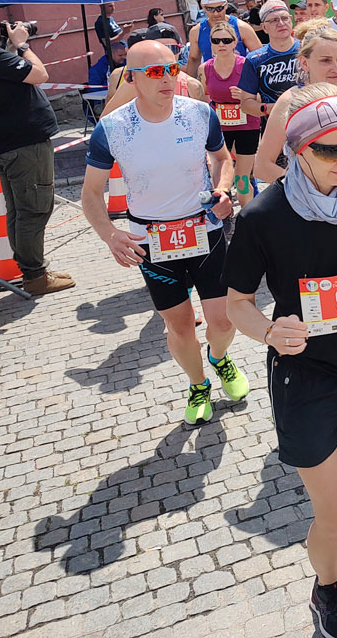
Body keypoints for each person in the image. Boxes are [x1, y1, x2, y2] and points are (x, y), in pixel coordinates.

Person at [224, 84, 337, 638]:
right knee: (331, 514)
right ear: (299, 149)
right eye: (332, 150)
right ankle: (327, 590)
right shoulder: (263, 215)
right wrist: (268, 331)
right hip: (304, 378)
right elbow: (237, 304)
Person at [82, 41, 247, 425]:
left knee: (224, 321)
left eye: (172, 69)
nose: (168, 79)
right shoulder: (112, 128)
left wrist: (223, 189)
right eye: (155, 72)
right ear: (132, 78)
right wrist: (110, 234)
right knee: (180, 326)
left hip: (204, 230)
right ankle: (198, 384)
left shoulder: (199, 113)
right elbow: (90, 193)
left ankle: (219, 358)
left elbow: (223, 160)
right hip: (152, 243)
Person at [0, 7, 73, 295]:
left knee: (18, 210)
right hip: (23, 142)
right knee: (34, 208)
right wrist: (21, 45)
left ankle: (31, 268)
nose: (2, 29)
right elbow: (40, 74)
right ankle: (35, 275)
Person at [254, 23, 337, 184]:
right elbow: (262, 166)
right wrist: (307, 190)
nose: (336, 68)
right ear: (304, 63)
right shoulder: (290, 101)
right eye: (325, 61)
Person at [199, 23, 261, 204]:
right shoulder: (205, 68)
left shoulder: (247, 65)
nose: (221, 44)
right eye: (216, 40)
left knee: (242, 178)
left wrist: (246, 96)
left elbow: (261, 96)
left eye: (226, 40)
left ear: (235, 42)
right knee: (218, 177)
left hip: (246, 125)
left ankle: (246, 214)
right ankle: (222, 213)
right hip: (219, 127)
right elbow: (204, 97)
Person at [232, 0, 300, 120]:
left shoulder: (308, 50)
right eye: (274, 20)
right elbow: (246, 104)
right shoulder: (255, 59)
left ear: (291, 20)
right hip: (274, 125)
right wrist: (271, 108)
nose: (281, 23)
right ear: (264, 27)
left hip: (310, 123)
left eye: (284, 18)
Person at [186, 0, 262, 75]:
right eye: (210, 9)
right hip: (212, 79)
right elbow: (194, 59)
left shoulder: (242, 27)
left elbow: (259, 56)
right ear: (203, 7)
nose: (215, 13)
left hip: (241, 78)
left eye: (219, 8)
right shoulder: (196, 31)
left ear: (226, 5)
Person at [94, 3, 132, 67]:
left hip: (123, 52)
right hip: (116, 58)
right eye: (110, 6)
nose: (113, 8)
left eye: (114, 6)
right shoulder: (100, 22)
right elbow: (107, 43)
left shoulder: (111, 18)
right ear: (102, 7)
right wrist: (123, 32)